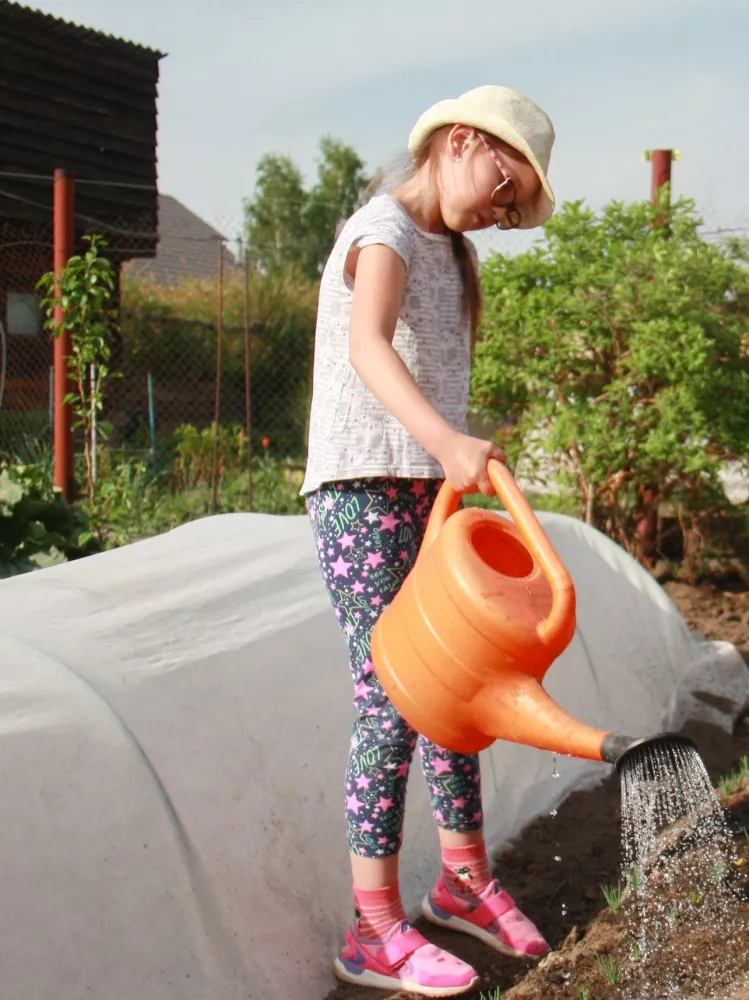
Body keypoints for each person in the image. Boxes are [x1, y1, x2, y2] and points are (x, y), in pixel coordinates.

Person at [300, 85, 557, 997]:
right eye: (504, 184)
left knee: (457, 687)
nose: (500, 210)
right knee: (391, 697)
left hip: (426, 496)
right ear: (461, 142)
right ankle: (371, 929)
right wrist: (449, 441)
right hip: (362, 491)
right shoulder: (385, 229)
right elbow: (369, 346)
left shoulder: (450, 252)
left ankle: (463, 878)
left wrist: (449, 456)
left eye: (512, 208)